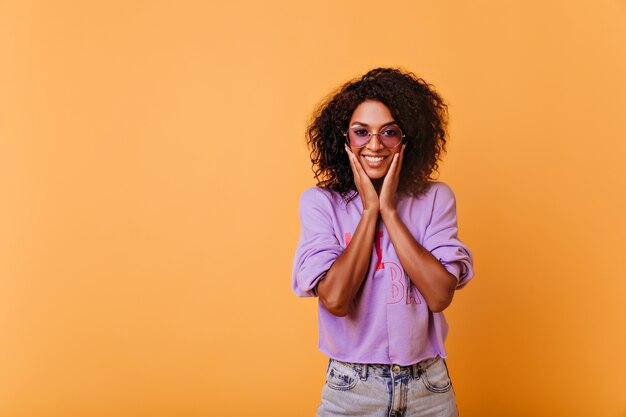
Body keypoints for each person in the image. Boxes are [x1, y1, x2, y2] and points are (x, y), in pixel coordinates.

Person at [291, 68, 474, 417]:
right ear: (343, 139)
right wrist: (369, 210)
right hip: (351, 390)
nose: (374, 145)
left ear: (408, 139)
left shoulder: (435, 198)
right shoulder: (321, 203)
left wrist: (388, 210)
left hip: (429, 390)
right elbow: (336, 299)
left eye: (389, 132)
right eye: (361, 132)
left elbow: (439, 295)